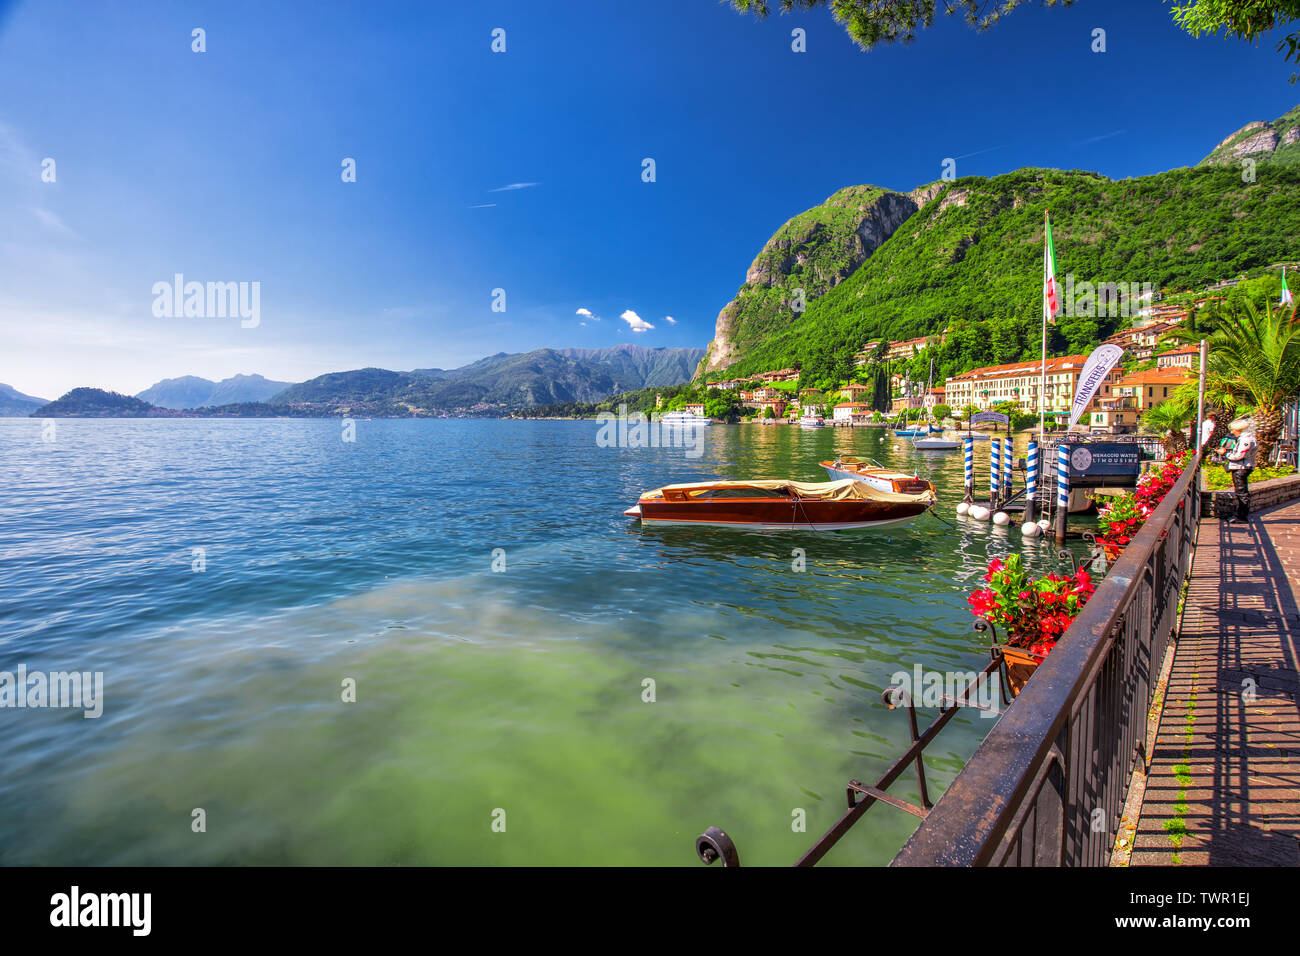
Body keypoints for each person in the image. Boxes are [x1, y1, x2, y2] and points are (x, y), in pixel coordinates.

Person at [1223, 417, 1257, 523]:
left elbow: (1240, 455)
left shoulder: (1246, 439)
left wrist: (1225, 454)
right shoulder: (1245, 438)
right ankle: (1240, 514)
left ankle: (1242, 516)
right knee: (1240, 492)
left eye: (1233, 430)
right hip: (1241, 467)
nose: (1232, 432)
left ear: (1239, 430)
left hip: (1241, 468)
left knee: (1241, 492)